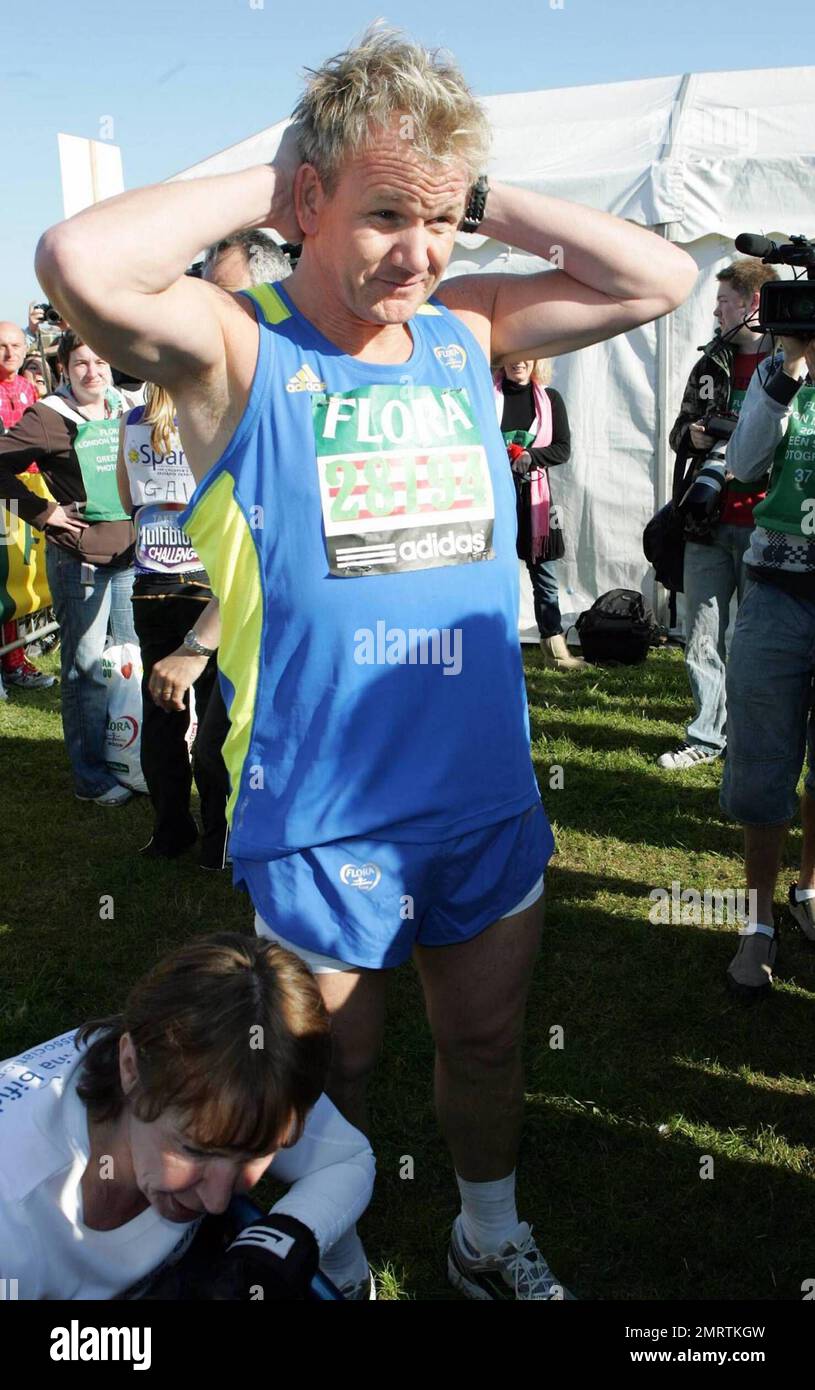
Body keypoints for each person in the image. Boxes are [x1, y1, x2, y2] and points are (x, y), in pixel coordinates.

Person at [36, 26, 696, 1298]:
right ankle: (313, 1246)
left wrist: (474, 192)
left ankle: (481, 1229)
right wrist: (281, 168)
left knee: (489, 1037)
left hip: (479, 795)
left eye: (441, 218)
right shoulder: (241, 344)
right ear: (308, 202)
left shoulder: (466, 326)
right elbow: (76, 258)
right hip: (319, 807)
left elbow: (656, 277)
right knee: (325, 1068)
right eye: (384, 212)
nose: (420, 250)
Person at [0, 932, 375, 1299]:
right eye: (195, 1149)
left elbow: (347, 1158)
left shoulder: (229, 1067)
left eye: (256, 1152)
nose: (215, 1201)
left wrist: (279, 1242)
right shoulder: (14, 1224)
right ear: (129, 1067)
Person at [146, 232, 293, 869]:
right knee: (215, 752)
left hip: (285, 651)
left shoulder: (288, 399)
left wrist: (195, 647)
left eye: (221, 293)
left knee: (225, 754)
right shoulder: (220, 399)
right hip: (226, 625)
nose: (207, 309)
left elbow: (273, 556)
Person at [0, 330, 137, 803]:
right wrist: (43, 512)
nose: (93, 371)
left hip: (131, 556)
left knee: (127, 661)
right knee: (84, 669)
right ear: (64, 369)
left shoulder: (126, 407)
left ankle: (130, 755)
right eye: (81, 363)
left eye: (101, 361)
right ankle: (91, 775)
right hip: (80, 559)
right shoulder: (47, 417)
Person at [719, 334, 815, 996]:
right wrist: (785, 372)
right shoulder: (781, 376)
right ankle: (756, 923)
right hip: (776, 594)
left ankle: (809, 889)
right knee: (760, 762)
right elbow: (744, 463)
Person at [657, 260, 779, 771]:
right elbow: (678, 430)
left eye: (724, 300)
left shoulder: (792, 363)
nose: (715, 309)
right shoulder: (711, 363)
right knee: (701, 634)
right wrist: (696, 436)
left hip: (767, 525)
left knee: (752, 641)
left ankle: (752, 738)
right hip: (705, 520)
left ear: (752, 304)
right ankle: (706, 736)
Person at [117, 383, 220, 859]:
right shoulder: (210, 415)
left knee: (162, 711)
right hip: (205, 581)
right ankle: (219, 838)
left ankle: (169, 831)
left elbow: (127, 502)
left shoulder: (133, 420)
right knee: (216, 713)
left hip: (152, 582)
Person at [496, 358, 581, 669]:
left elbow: (562, 448)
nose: (519, 361)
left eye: (527, 354)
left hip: (536, 499)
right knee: (495, 574)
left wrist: (530, 455)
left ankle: (555, 649)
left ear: (536, 360)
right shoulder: (488, 396)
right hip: (497, 498)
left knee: (544, 574)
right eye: (513, 354)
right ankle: (495, 643)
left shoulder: (550, 399)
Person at [0, 319, 55, 690]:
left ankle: (16, 659)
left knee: (19, 575)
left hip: (28, 492)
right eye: (3, 346)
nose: (10, 354)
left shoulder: (28, 389)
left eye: (16, 346)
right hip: (3, 491)